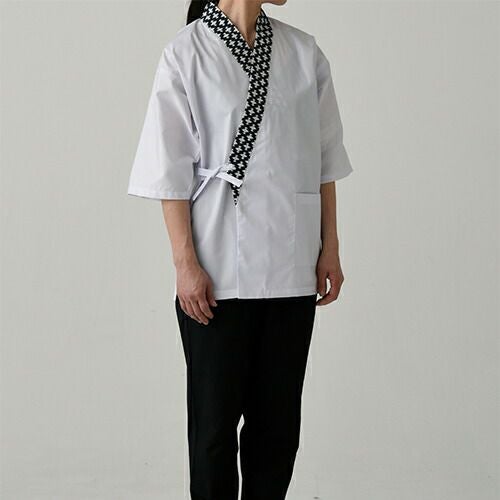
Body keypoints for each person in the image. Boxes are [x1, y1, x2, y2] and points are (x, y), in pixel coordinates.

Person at [127, 0, 353, 498]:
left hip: (292, 266)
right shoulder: (186, 54)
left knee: (278, 430)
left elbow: (326, 159)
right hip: (216, 273)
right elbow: (168, 170)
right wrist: (185, 264)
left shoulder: (304, 53)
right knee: (213, 432)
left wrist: (330, 246)